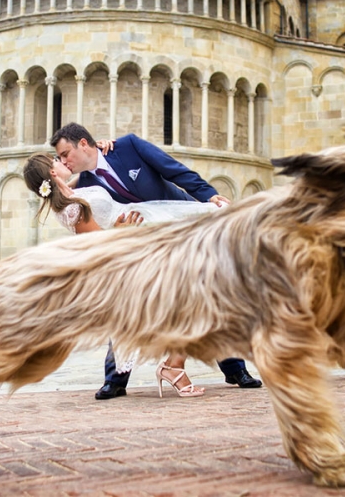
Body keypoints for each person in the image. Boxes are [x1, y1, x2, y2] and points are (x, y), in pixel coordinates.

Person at [51, 122, 263, 399]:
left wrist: (209, 196)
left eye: (65, 153)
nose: (64, 160)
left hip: (180, 223)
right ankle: (115, 379)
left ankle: (234, 369)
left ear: (82, 143)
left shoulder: (128, 146)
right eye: (60, 157)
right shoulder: (84, 186)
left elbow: (174, 170)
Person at [23, 152, 208, 398]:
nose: (62, 160)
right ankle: (173, 366)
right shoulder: (70, 207)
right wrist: (121, 230)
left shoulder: (72, 192)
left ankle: (174, 365)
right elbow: (99, 244)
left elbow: (91, 169)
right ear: (52, 172)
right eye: (56, 159)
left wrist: (97, 149)